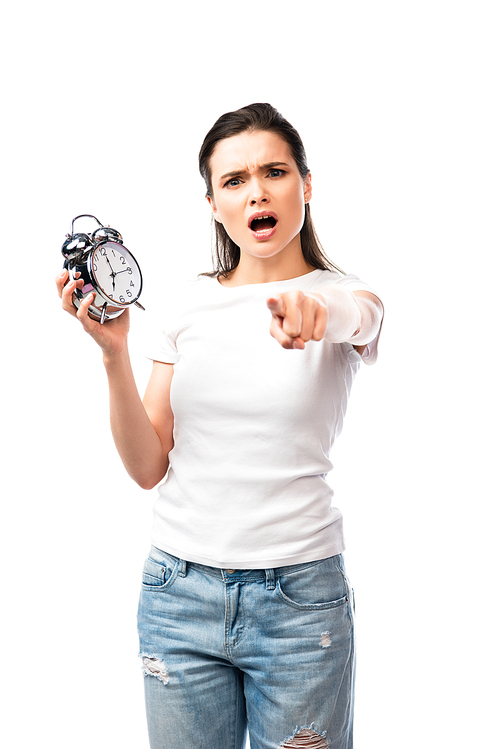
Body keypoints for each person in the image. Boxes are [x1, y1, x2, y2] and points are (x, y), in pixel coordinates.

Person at [56, 103, 383, 749]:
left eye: (275, 171)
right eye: (234, 180)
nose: (256, 190)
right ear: (213, 202)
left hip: (300, 601)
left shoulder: (349, 294)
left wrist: (314, 309)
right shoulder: (183, 303)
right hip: (177, 593)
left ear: (306, 184)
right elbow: (150, 465)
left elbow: (356, 317)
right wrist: (114, 353)